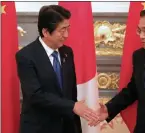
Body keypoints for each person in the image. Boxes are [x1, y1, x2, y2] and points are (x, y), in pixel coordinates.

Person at [16, 5, 98, 133]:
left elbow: (71, 94)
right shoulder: (26, 56)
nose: (66, 35)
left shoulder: (67, 52)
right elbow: (35, 96)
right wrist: (72, 106)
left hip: (66, 127)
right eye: (62, 30)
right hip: (39, 127)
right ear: (46, 32)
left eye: (68, 29)